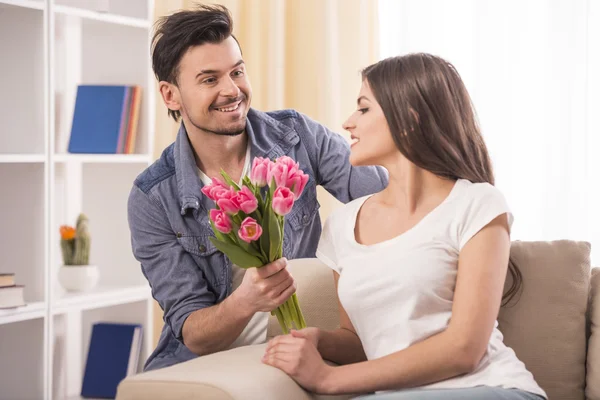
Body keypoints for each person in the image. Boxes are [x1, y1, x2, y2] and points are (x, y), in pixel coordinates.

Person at [261, 53, 547, 400]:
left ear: (408, 120)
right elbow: (362, 342)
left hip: (490, 388)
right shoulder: (342, 225)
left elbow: (464, 349)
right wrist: (322, 341)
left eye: (364, 109)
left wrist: (328, 380)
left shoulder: (477, 204)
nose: (348, 122)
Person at [126, 4, 387, 372]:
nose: (232, 90)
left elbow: (385, 196)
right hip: (207, 362)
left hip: (300, 342)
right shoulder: (152, 197)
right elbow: (192, 332)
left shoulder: (298, 136)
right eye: (209, 79)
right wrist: (246, 300)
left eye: (237, 71)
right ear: (171, 96)